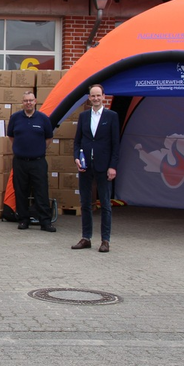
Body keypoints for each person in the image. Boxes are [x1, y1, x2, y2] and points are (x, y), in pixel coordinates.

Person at [71, 84, 120, 253]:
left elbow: (116, 144)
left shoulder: (112, 116)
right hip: (85, 167)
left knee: (105, 204)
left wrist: (113, 166)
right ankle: (86, 238)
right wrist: (77, 157)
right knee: (85, 203)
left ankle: (105, 240)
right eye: (93, 96)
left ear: (103, 96)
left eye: (98, 95)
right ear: (89, 98)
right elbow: (77, 141)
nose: (96, 98)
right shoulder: (84, 116)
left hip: (104, 166)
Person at [7, 90, 56, 232]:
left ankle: (45, 222)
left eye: (31, 100)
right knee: (21, 191)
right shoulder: (15, 118)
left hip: (38, 161)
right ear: (22, 103)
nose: (28, 103)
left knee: (41, 191)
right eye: (25, 100)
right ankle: (23, 220)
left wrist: (38, 150)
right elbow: (11, 136)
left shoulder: (43, 118)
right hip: (20, 161)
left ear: (35, 101)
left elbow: (49, 138)